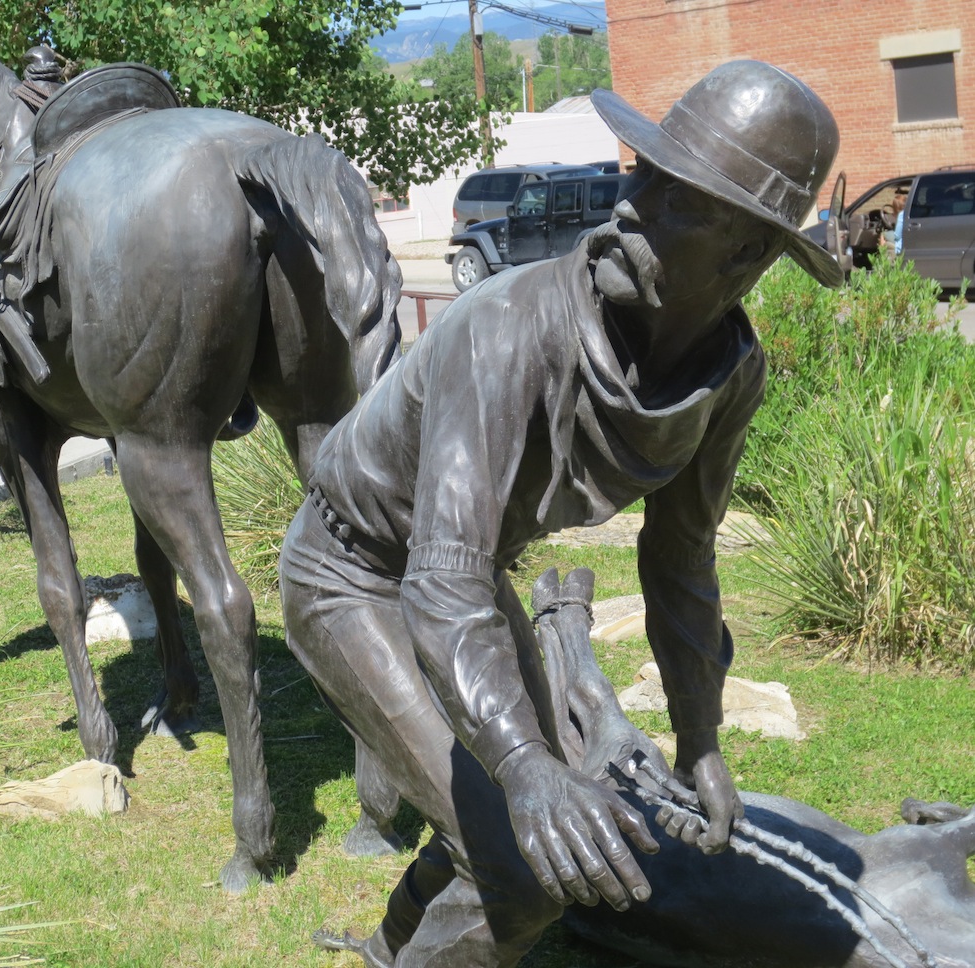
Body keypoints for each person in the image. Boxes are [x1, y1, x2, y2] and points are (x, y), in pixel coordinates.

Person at [279, 60, 842, 968]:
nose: (628, 205)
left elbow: (683, 557)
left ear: (745, 255)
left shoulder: (728, 375)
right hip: (353, 572)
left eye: (676, 199)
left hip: (452, 572)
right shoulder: (507, 329)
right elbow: (444, 581)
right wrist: (527, 764)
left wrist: (699, 739)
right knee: (525, 859)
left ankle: (392, 947)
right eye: (642, 174)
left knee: (507, 808)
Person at [881, 185, 908, 255]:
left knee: (882, 234)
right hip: (906, 239)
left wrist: (884, 234)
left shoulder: (901, 215)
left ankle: (882, 254)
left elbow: (897, 236)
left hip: (900, 243)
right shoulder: (908, 213)